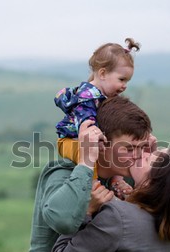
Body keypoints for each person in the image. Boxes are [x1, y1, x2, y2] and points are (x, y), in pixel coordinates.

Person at [14, 96, 152, 252]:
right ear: (100, 143)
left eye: (141, 148)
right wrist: (86, 162)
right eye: (129, 149)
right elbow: (62, 219)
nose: (136, 156)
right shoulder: (62, 172)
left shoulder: (116, 181)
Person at [54, 38, 141, 198]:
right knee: (89, 153)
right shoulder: (86, 97)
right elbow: (86, 127)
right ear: (102, 73)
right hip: (70, 141)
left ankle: (116, 179)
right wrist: (98, 141)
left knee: (110, 154)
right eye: (121, 79)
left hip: (87, 139)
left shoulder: (102, 96)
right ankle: (92, 185)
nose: (125, 85)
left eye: (127, 81)